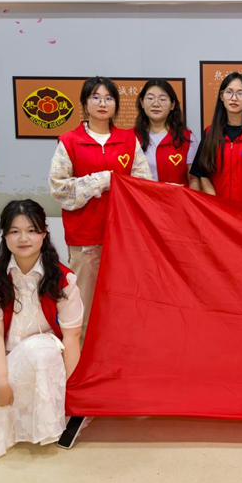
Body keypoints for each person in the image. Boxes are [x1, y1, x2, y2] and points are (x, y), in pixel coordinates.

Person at [0, 200, 83, 460]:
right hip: (8, 356)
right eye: (14, 231)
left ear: (44, 233)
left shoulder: (62, 278)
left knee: (38, 351)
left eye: (32, 230)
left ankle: (47, 424)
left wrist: (73, 392)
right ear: (4, 235)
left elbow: (72, 336)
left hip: (48, 356)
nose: (23, 238)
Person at [49, 76, 152, 331]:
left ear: (116, 104)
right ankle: (82, 349)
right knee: (84, 300)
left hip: (123, 236)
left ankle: (118, 347)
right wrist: (102, 180)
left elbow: (144, 184)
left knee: (123, 298)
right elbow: (59, 189)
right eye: (95, 97)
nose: (102, 103)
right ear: (85, 103)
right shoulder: (70, 141)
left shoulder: (129, 140)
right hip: (85, 235)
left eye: (108, 98)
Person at [189, 72, 242, 204]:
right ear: (221, 96)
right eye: (229, 92)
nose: (234, 98)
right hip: (218, 210)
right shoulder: (210, 133)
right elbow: (203, 174)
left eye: (240, 93)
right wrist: (217, 205)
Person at [134, 79, 195, 185]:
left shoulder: (187, 138)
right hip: (140, 196)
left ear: (172, 105)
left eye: (162, 99)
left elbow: (193, 179)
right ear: (142, 102)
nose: (156, 104)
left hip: (177, 196)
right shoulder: (131, 137)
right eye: (150, 98)